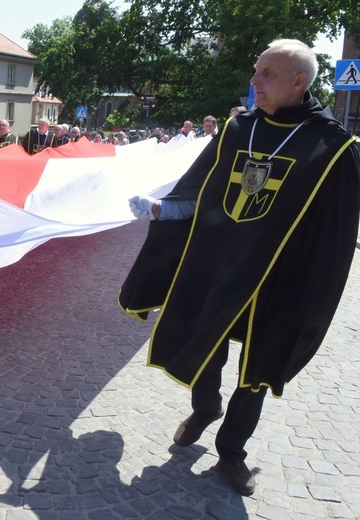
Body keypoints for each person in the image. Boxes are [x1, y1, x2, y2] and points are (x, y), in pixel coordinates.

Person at [120, 39, 360, 496]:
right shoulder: (236, 129)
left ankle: (232, 450)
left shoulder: (333, 147)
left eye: (267, 74)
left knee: (258, 369)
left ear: (298, 82)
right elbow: (199, 189)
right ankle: (205, 407)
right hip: (218, 265)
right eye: (255, 71)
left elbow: (336, 233)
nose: (254, 81)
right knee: (207, 345)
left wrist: (314, 298)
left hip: (278, 281)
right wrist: (162, 210)